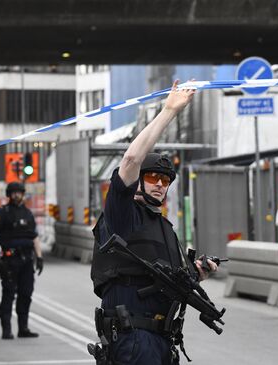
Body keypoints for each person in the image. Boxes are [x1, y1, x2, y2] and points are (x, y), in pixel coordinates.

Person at [90, 80, 218, 364]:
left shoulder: (163, 227)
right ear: (138, 180)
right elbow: (131, 158)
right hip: (134, 340)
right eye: (153, 178)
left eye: (165, 180)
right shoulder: (124, 215)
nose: (160, 185)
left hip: (162, 341)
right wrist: (169, 111)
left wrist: (196, 273)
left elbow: (165, 278)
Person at [0, 181, 44, 340]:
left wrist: (39, 257)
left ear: (23, 194)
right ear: (9, 195)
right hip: (10, 261)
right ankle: (6, 328)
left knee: (26, 293)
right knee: (9, 294)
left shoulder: (28, 214)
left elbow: (34, 237)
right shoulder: (1, 213)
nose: (16, 195)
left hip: (27, 260)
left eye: (19, 192)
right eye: (13, 192)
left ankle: (23, 328)